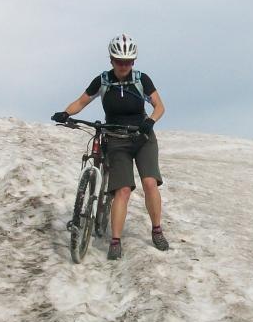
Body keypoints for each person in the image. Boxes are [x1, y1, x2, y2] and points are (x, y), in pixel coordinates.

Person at [52, 34, 168, 260]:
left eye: (128, 61)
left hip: (142, 137)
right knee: (122, 190)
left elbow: (159, 106)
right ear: (111, 60)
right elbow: (81, 102)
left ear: (133, 61)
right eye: (119, 61)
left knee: (149, 182)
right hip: (116, 139)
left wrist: (150, 121)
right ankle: (115, 241)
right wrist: (66, 112)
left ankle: (157, 230)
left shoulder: (141, 79)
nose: (124, 65)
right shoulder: (103, 81)